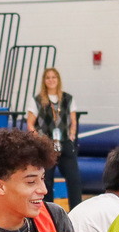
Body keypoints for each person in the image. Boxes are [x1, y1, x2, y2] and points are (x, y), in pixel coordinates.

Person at [26, 68, 81, 207]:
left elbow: (73, 120)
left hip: (65, 142)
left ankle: (76, 209)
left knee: (74, 178)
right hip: (47, 145)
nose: (51, 80)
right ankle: (48, 211)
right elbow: (30, 123)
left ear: (58, 80)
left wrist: (72, 135)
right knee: (47, 181)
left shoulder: (68, 98)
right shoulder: (37, 100)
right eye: (48, 77)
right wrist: (39, 140)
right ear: (44, 81)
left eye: (54, 77)